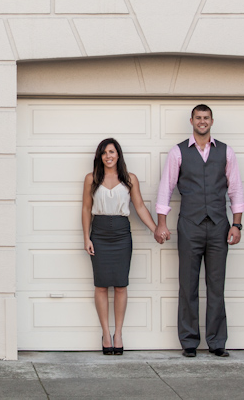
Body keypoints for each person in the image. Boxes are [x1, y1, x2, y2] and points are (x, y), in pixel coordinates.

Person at [154, 104, 244, 358]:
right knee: (188, 285)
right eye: (198, 118)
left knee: (217, 286)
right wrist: (162, 223)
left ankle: (217, 342)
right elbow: (166, 188)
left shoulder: (226, 152)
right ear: (191, 120)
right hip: (189, 226)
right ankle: (190, 341)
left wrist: (236, 224)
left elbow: (236, 189)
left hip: (218, 226)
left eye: (206, 118)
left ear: (211, 121)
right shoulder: (178, 152)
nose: (202, 122)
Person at [82, 137, 162, 355]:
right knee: (100, 285)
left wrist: (155, 228)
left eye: (112, 152)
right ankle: (105, 334)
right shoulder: (91, 178)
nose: (108, 156)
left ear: (118, 155)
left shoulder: (129, 178)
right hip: (98, 233)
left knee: (120, 285)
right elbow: (86, 209)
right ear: (100, 156)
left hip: (121, 234)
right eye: (104, 152)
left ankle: (118, 333)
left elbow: (140, 207)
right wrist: (86, 238)